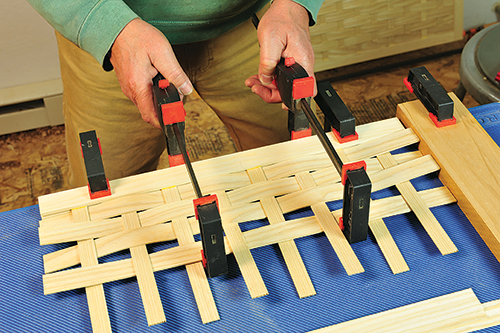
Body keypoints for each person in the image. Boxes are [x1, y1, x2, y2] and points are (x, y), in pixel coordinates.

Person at [26, 0, 324, 188]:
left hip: (255, 23)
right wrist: (106, 26)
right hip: (113, 36)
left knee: (289, 169)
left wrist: (294, 6)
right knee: (108, 194)